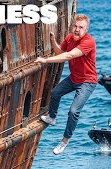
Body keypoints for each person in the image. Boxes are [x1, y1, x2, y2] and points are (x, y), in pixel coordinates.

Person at [35, 14, 97, 155]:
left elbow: (69, 56)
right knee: (55, 93)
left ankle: (64, 141)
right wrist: (53, 41)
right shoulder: (69, 38)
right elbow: (61, 53)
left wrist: (46, 60)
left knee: (73, 111)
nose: (77, 30)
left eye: (81, 27)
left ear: (86, 29)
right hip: (74, 78)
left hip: (87, 82)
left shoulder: (89, 42)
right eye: (75, 26)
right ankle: (52, 117)